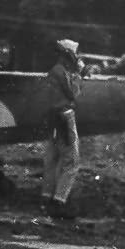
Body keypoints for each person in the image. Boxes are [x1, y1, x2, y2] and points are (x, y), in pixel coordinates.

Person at [42, 38, 82, 217]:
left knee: (52, 159)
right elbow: (73, 94)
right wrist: (78, 74)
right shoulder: (62, 72)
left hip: (52, 117)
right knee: (71, 161)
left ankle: (46, 198)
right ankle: (60, 200)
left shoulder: (54, 71)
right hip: (64, 116)